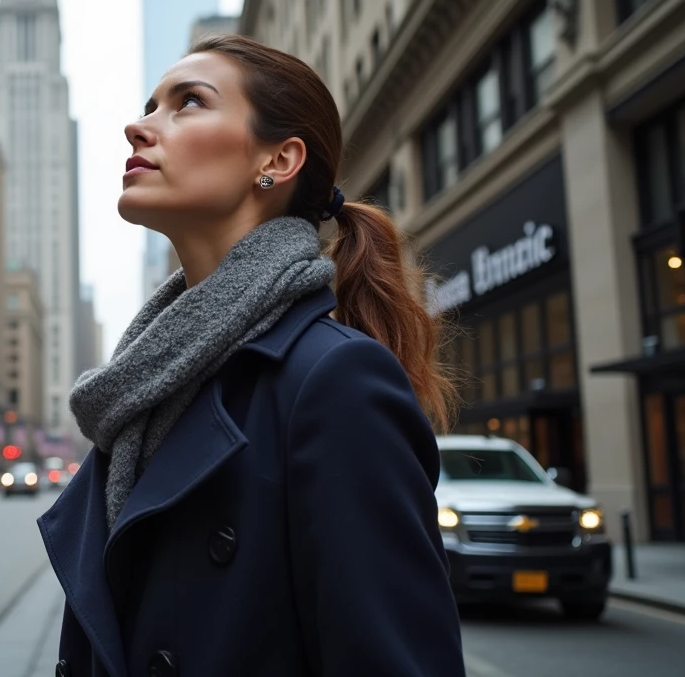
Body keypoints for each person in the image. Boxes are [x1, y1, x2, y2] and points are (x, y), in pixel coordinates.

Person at [38, 34, 465, 676]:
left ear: (278, 159)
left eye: (188, 103)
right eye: (150, 105)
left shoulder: (336, 380)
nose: (138, 126)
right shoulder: (142, 390)